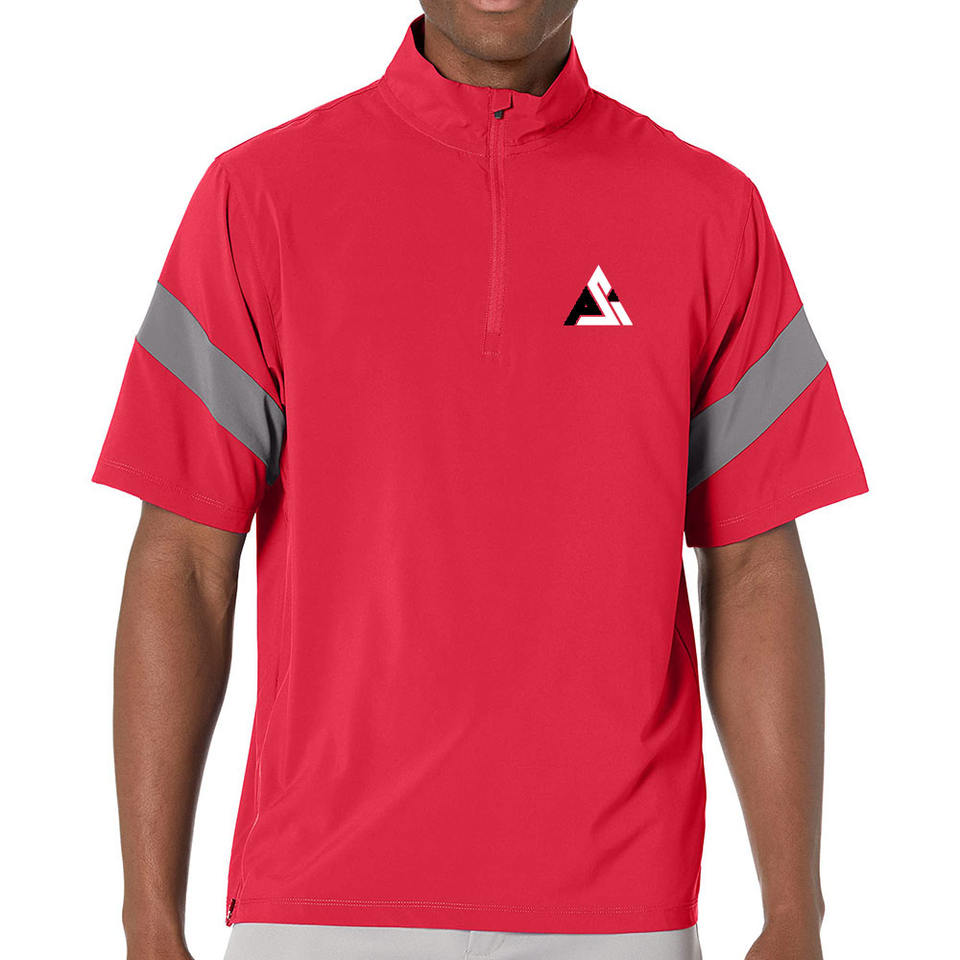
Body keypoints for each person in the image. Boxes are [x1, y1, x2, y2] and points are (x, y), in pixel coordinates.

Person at [93, 2, 867, 959]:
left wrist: (793, 912)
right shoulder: (256, 198)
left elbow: (754, 565)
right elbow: (183, 561)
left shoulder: (710, 211)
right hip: (322, 903)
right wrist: (148, 922)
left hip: (620, 909)